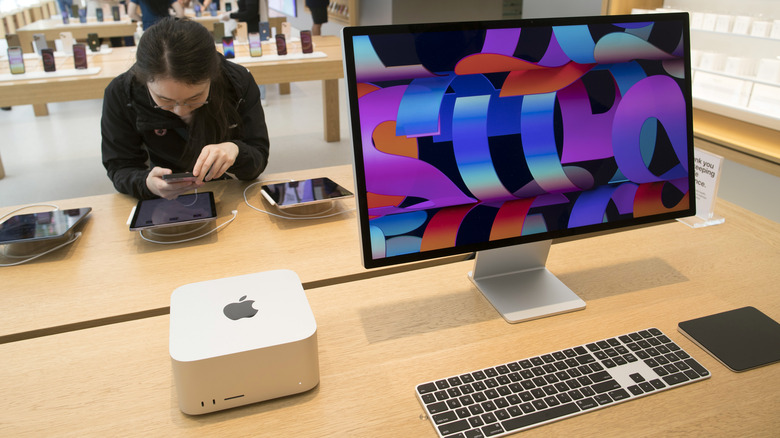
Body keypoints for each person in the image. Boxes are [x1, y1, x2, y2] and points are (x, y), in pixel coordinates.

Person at [101, 17, 270, 200]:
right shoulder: (121, 93)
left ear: (213, 76)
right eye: (164, 99)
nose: (181, 111)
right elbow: (120, 167)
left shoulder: (237, 82)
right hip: (162, 200)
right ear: (143, 80)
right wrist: (147, 183)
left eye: (195, 98)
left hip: (224, 194)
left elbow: (258, 158)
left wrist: (236, 151)